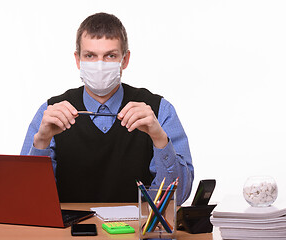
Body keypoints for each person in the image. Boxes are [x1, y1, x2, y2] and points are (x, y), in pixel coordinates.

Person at [21, 12, 194, 204]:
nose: (100, 65)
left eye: (110, 56)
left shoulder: (159, 110)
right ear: (78, 60)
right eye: (90, 56)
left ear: (125, 60)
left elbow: (178, 198)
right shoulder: (50, 112)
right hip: (70, 232)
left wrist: (160, 139)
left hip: (135, 232)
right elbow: (29, 198)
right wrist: (42, 142)